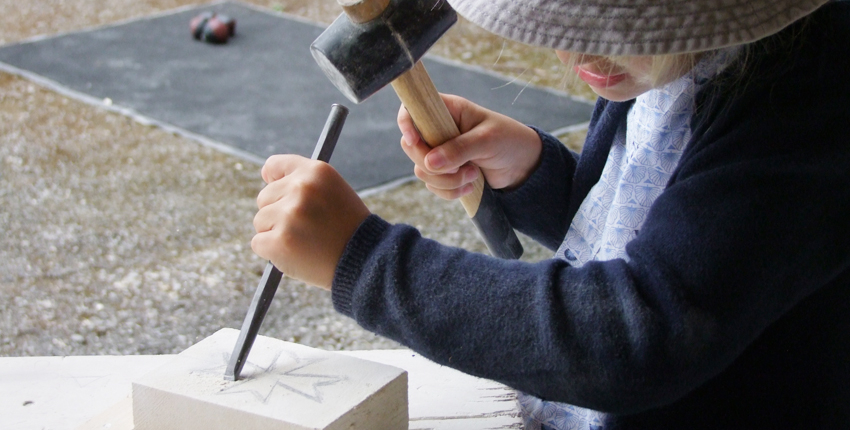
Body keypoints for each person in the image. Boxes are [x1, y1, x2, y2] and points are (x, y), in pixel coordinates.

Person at [250, 0, 850, 428]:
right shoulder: (676, 61)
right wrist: (531, 171)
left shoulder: (804, 97)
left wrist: (366, 261)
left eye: (616, 19)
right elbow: (643, 225)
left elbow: (637, 334)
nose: (577, 49)